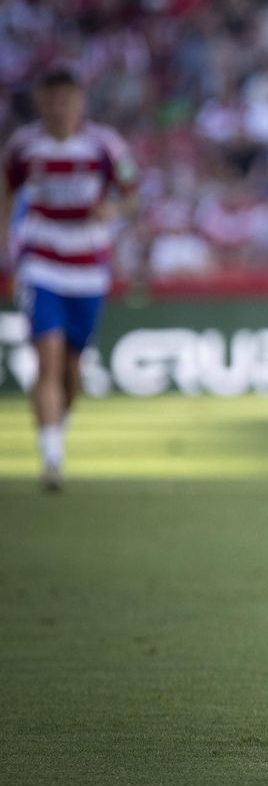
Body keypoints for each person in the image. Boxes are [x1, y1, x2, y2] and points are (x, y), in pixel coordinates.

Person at [1, 66, 137, 491]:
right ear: (41, 100)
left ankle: (60, 422)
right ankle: (51, 459)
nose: (60, 106)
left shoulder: (105, 146)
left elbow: (131, 195)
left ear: (80, 101)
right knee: (48, 357)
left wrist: (112, 211)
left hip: (89, 267)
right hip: (40, 262)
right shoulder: (24, 146)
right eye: (52, 97)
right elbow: (6, 195)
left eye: (67, 97)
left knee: (73, 368)